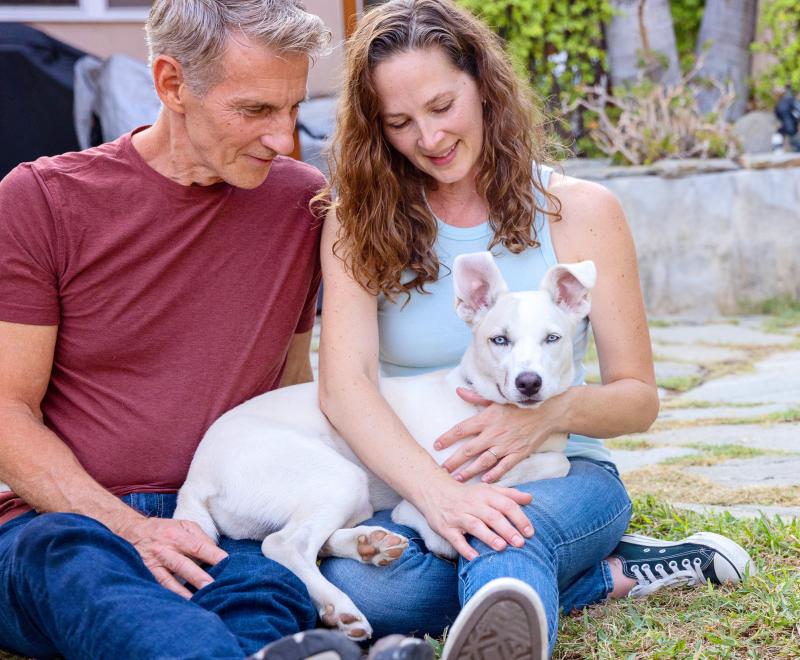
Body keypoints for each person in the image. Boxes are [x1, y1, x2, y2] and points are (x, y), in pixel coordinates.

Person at [314, 1, 755, 658]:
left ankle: (520, 609)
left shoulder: (580, 211)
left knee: (507, 535)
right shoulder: (358, 224)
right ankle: (606, 574)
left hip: (559, 472)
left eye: (442, 106)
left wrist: (544, 416)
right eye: (400, 123)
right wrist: (437, 495)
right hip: (413, 482)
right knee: (376, 594)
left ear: (484, 87)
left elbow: (638, 398)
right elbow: (344, 386)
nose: (428, 138)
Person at [0, 2, 428, 659]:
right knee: (80, 569)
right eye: (256, 110)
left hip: (223, 518)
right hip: (63, 521)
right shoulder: (42, 200)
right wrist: (130, 527)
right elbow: (6, 412)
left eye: (293, 109)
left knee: (266, 590)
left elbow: (290, 384)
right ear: (172, 84)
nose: (285, 139)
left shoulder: (297, 203)